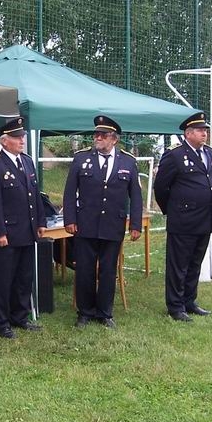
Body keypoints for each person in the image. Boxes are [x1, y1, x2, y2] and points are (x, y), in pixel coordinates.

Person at [63, 115, 142, 329]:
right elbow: (69, 192)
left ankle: (105, 313)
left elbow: (136, 196)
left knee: (108, 270)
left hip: (113, 224)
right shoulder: (81, 159)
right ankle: (85, 312)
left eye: (103, 135)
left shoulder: (128, 161)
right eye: (96, 134)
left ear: (114, 139)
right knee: (85, 269)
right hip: (86, 223)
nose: (97, 138)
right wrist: (70, 219)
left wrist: (135, 224)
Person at [0, 117, 46, 339]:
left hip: (27, 230)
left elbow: (35, 194)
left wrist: (40, 222)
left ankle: (20, 316)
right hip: (7, 233)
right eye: (17, 137)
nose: (22, 141)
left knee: (24, 278)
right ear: (4, 141)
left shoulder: (26, 161)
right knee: (4, 279)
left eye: (22, 137)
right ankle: (1, 321)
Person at [153, 111, 212, 323]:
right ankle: (175, 306)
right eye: (200, 130)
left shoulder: (209, 153)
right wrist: (173, 210)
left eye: (205, 130)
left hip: (206, 218)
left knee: (194, 263)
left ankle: (189, 301)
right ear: (188, 133)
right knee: (178, 265)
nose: (204, 133)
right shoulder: (174, 155)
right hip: (183, 220)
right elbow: (161, 187)